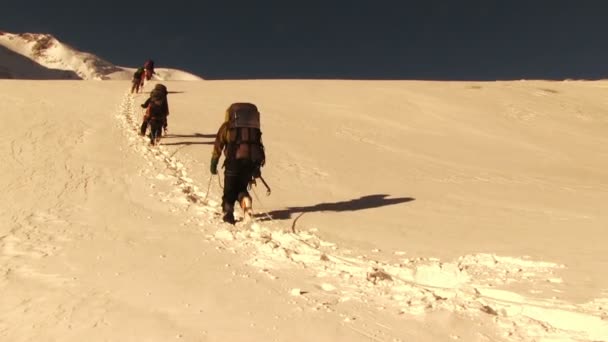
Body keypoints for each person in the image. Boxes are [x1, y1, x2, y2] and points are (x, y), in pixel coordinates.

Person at [210, 103, 266, 224]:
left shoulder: (228, 126)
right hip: (250, 163)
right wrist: (256, 167)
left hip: (233, 161)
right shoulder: (253, 129)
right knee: (241, 187)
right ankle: (245, 201)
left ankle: (228, 214)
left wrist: (214, 163)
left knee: (229, 191)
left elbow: (218, 144)